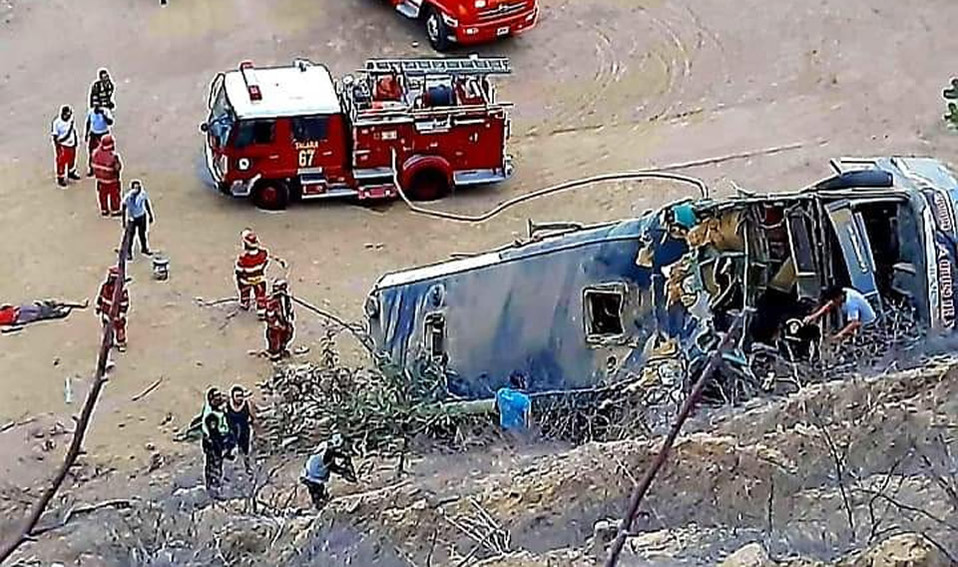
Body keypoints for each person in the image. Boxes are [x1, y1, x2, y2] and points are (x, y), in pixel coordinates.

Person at [300, 433, 356, 510]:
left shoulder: (326, 447)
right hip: (312, 476)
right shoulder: (327, 453)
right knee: (318, 492)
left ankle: (320, 505)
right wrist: (343, 471)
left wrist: (344, 457)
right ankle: (319, 507)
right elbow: (332, 467)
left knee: (318, 491)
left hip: (310, 474)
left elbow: (334, 454)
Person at [803, 285, 877, 342]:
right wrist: (813, 316)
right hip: (859, 322)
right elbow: (829, 305)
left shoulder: (851, 302)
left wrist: (839, 334)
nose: (835, 303)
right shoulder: (843, 292)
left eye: (835, 300)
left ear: (838, 297)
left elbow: (854, 323)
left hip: (868, 325)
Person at [201, 388, 232, 496]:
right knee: (214, 467)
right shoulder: (211, 416)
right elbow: (214, 435)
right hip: (213, 445)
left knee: (217, 466)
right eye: (216, 396)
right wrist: (221, 449)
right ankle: (213, 492)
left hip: (217, 442)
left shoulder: (217, 411)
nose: (220, 398)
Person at [235, 229, 271, 318]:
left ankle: (245, 302)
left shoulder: (243, 259)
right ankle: (262, 310)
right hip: (259, 279)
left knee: (244, 289)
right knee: (261, 294)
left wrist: (241, 277)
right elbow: (266, 262)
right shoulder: (263, 254)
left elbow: (239, 271)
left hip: (246, 280)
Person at [225, 384, 258, 473]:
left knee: (245, 450)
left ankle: (247, 467)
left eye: (241, 395)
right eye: (237, 396)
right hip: (232, 431)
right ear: (232, 397)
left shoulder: (247, 404)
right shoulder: (227, 405)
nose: (240, 398)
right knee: (229, 449)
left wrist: (256, 431)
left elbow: (254, 419)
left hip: (244, 430)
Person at [95, 267, 130, 351]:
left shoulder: (121, 290)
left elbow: (124, 302)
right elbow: (100, 297)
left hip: (117, 314)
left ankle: (121, 343)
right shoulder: (105, 286)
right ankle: (109, 341)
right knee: (107, 328)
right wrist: (98, 307)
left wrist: (122, 313)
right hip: (106, 312)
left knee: (119, 329)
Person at [121, 180, 155, 259]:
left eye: (139, 187)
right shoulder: (128, 197)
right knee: (131, 236)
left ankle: (144, 248)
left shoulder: (143, 194)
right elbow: (123, 208)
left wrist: (150, 215)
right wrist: (123, 220)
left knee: (142, 234)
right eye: (136, 188)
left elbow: (146, 204)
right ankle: (129, 252)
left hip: (141, 216)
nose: (138, 189)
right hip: (132, 218)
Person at [91, 134, 123, 216]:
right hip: (112, 180)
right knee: (114, 195)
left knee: (102, 195)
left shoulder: (95, 153)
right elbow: (118, 168)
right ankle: (115, 210)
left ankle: (104, 210)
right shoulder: (113, 156)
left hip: (100, 180)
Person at [0, 299, 88, 329]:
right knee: (41, 313)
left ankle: (76, 305)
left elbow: (4, 307)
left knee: (41, 308)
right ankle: (68, 308)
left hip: (18, 311)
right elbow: (6, 327)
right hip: (18, 318)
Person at [264, 279, 295, 361]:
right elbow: (270, 316)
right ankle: (275, 355)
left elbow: (289, 307)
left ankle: (282, 348)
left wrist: (290, 317)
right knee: (275, 340)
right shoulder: (271, 302)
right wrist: (278, 325)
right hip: (275, 327)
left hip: (285, 321)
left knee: (288, 333)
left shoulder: (286, 298)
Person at [51, 105, 80, 187]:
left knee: (72, 159)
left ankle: (71, 173)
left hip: (72, 144)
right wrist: (58, 148)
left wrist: (76, 141)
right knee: (61, 162)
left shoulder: (71, 121)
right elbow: (55, 137)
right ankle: (61, 178)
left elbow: (73, 130)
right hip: (63, 145)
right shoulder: (57, 123)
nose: (69, 116)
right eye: (67, 115)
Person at [84, 105, 114, 176]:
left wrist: (103, 115)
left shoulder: (106, 111)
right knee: (91, 152)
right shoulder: (91, 112)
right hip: (94, 134)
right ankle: (91, 169)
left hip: (104, 134)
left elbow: (110, 122)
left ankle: (107, 167)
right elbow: (88, 122)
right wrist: (86, 134)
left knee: (106, 152)